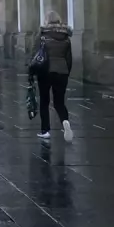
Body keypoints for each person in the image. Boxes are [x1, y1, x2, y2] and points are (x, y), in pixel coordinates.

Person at [31, 9, 74, 142]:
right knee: (59, 102)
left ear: (47, 20)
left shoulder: (42, 35)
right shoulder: (66, 36)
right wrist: (67, 71)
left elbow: (35, 54)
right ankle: (65, 121)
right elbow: (69, 58)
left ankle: (45, 131)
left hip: (45, 71)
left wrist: (32, 71)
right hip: (62, 71)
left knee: (44, 101)